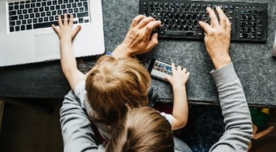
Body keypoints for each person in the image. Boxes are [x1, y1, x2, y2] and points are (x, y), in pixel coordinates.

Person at [59, 7, 253, 152]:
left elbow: (73, 102)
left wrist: (121, 54)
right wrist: (221, 58)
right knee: (210, 113)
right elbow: (241, 131)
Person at [52, 13, 190, 140]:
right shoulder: (144, 121)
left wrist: (65, 38)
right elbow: (180, 120)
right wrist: (179, 86)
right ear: (142, 98)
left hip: (110, 138)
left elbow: (69, 69)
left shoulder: (88, 97)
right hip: (139, 138)